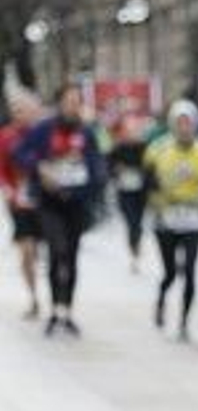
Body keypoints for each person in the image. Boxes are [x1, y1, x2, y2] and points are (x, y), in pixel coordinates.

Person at [13, 82, 104, 337]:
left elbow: (97, 163)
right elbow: (20, 153)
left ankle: (68, 310)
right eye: (68, 100)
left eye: (77, 101)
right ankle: (53, 310)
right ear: (60, 102)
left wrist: (89, 182)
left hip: (75, 202)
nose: (72, 105)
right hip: (49, 202)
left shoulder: (86, 132)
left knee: (72, 256)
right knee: (57, 249)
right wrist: (40, 168)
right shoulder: (44, 129)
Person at [145, 100, 198, 342]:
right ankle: (161, 300)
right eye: (180, 123)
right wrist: (159, 198)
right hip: (165, 218)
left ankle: (184, 321)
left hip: (192, 217)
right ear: (172, 125)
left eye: (188, 123)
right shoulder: (157, 149)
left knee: (189, 270)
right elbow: (147, 181)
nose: (184, 128)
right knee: (169, 272)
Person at [0, 88, 45, 318]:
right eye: (16, 109)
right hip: (19, 201)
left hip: (44, 200)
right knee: (26, 250)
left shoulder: (42, 132)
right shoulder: (6, 136)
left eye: (24, 109)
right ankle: (33, 296)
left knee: (48, 248)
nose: (20, 113)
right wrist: (8, 189)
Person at [107, 110, 153, 273]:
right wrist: (117, 171)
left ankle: (137, 249)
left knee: (138, 223)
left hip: (141, 192)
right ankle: (134, 251)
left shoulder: (146, 148)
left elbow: (151, 169)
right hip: (124, 191)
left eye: (135, 130)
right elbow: (109, 167)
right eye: (129, 130)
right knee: (130, 221)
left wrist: (143, 173)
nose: (132, 133)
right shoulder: (118, 148)